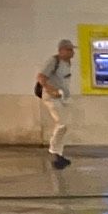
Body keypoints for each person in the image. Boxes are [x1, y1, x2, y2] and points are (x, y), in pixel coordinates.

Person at [35, 39, 75, 168]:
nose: (72, 52)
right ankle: (54, 151)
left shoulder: (67, 63)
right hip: (51, 97)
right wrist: (50, 89)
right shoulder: (53, 61)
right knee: (62, 124)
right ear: (61, 50)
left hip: (62, 97)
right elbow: (41, 76)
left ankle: (59, 155)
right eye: (69, 49)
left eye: (72, 50)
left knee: (65, 125)